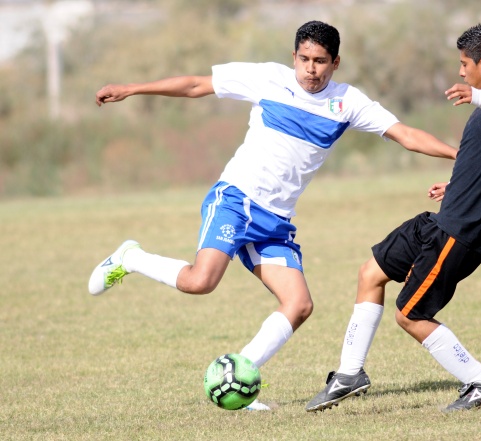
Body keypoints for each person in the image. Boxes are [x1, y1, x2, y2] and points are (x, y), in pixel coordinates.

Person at [88, 20, 457, 410]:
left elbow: (405, 134)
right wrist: (132, 88)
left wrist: (460, 156)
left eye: (320, 61)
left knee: (298, 305)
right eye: (304, 59)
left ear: (335, 63)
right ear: (293, 56)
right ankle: (131, 258)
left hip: (276, 220)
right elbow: (197, 85)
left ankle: (237, 378)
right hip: (236, 200)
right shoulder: (268, 79)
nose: (311, 69)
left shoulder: (347, 102)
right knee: (200, 282)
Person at [306, 23, 481, 413]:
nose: (460, 72)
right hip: (439, 221)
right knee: (370, 273)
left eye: (464, 64)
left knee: (410, 314)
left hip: (460, 234)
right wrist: (456, 184)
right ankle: (349, 374)